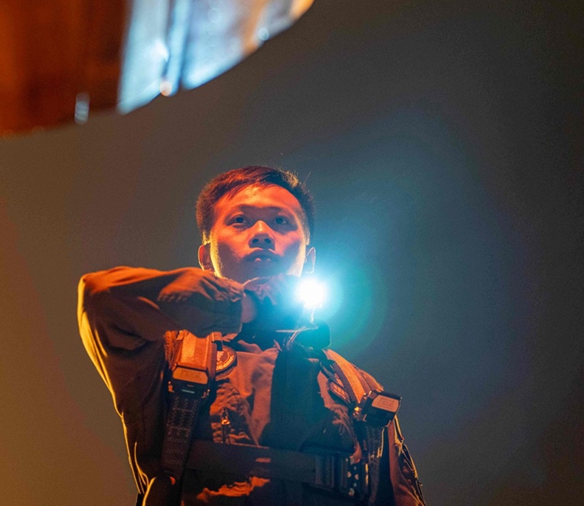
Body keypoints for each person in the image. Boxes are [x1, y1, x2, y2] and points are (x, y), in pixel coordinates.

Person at [78, 166, 425, 505]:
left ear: (309, 260)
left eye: (281, 221)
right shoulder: (171, 354)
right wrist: (247, 306)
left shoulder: (360, 389)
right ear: (207, 257)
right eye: (239, 220)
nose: (261, 232)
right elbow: (101, 298)